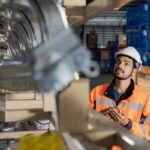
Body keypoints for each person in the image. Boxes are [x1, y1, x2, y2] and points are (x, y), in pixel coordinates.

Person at [89, 46, 150, 141]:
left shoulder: (145, 98)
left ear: (134, 70)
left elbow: (148, 131)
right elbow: (81, 121)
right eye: (118, 61)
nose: (120, 66)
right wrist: (98, 117)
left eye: (126, 64)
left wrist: (128, 124)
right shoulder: (96, 92)